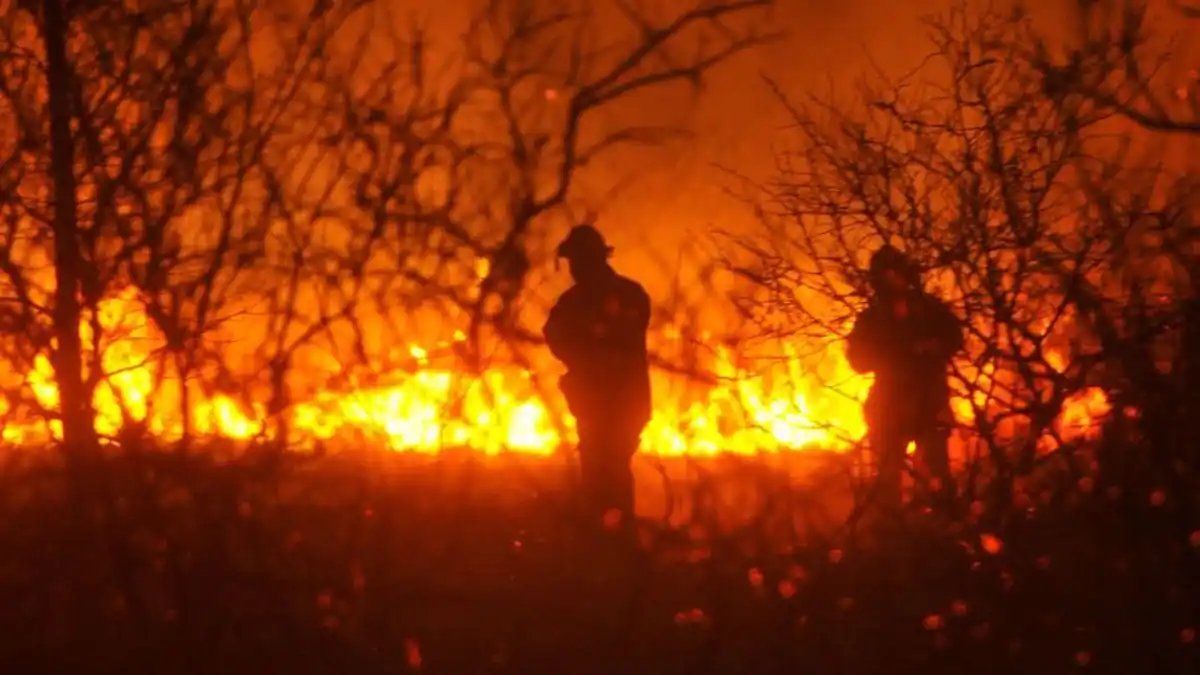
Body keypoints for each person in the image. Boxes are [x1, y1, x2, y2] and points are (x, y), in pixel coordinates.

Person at [543, 224, 652, 525]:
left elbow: (555, 334)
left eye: (576, 261)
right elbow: (554, 334)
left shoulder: (596, 299)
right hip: (617, 405)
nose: (573, 269)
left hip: (611, 405)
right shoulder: (629, 294)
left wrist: (583, 359)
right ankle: (613, 536)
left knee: (604, 471)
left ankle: (609, 539)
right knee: (608, 468)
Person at [846, 245, 964, 513]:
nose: (892, 279)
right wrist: (893, 353)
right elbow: (858, 360)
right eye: (886, 274)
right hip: (889, 408)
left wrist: (930, 346)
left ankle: (943, 533)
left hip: (929, 404)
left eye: (895, 272)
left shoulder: (929, 310)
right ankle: (894, 537)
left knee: (937, 479)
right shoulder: (872, 319)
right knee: (887, 483)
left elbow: (954, 338)